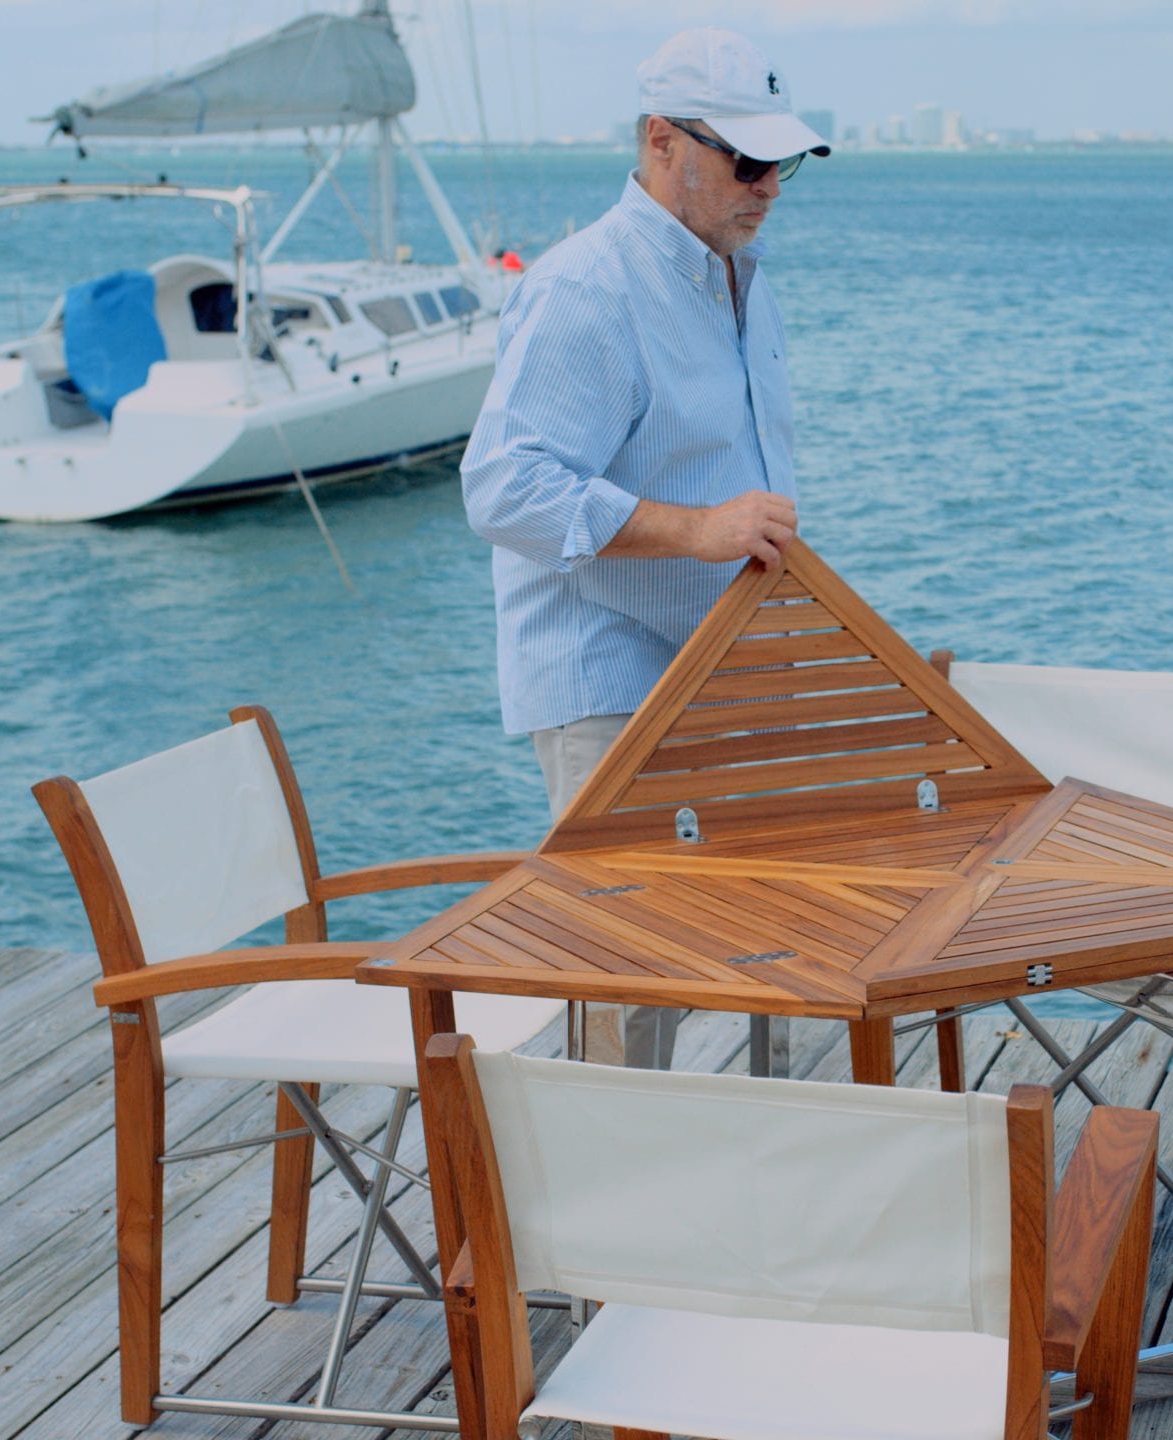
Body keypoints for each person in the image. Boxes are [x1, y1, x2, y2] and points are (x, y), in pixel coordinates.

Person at [459, 28, 830, 1069]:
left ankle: (721, 1176)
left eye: (782, 163)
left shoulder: (742, 280)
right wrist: (699, 532)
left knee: (746, 942)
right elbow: (502, 486)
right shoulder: (585, 287)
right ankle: (604, 1216)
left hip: (721, 670)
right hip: (611, 673)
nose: (769, 186)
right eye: (745, 162)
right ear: (663, 142)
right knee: (630, 975)